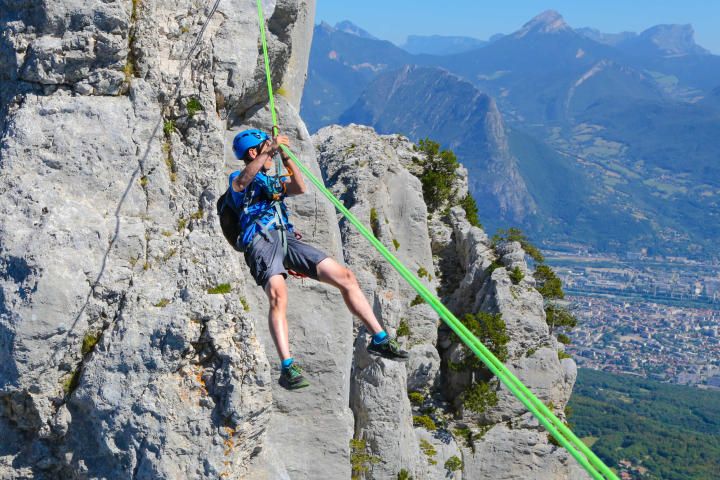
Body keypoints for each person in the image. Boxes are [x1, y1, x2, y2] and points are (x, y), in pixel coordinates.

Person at [229, 128, 408, 390]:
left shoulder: (269, 181)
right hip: (260, 241)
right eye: (265, 147)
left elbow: (298, 187)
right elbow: (242, 183)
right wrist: (269, 150)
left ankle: (379, 338)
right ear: (254, 152)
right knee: (278, 295)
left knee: (346, 277)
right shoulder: (239, 178)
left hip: (287, 239)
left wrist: (287, 157)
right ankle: (287, 367)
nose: (270, 151)